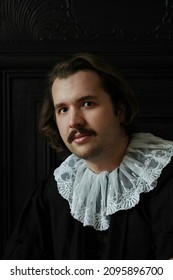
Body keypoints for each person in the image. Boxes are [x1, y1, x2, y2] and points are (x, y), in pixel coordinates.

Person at [3, 53, 173, 260]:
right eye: (63, 109)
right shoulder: (53, 190)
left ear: (120, 110)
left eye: (87, 104)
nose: (73, 121)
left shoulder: (165, 174)